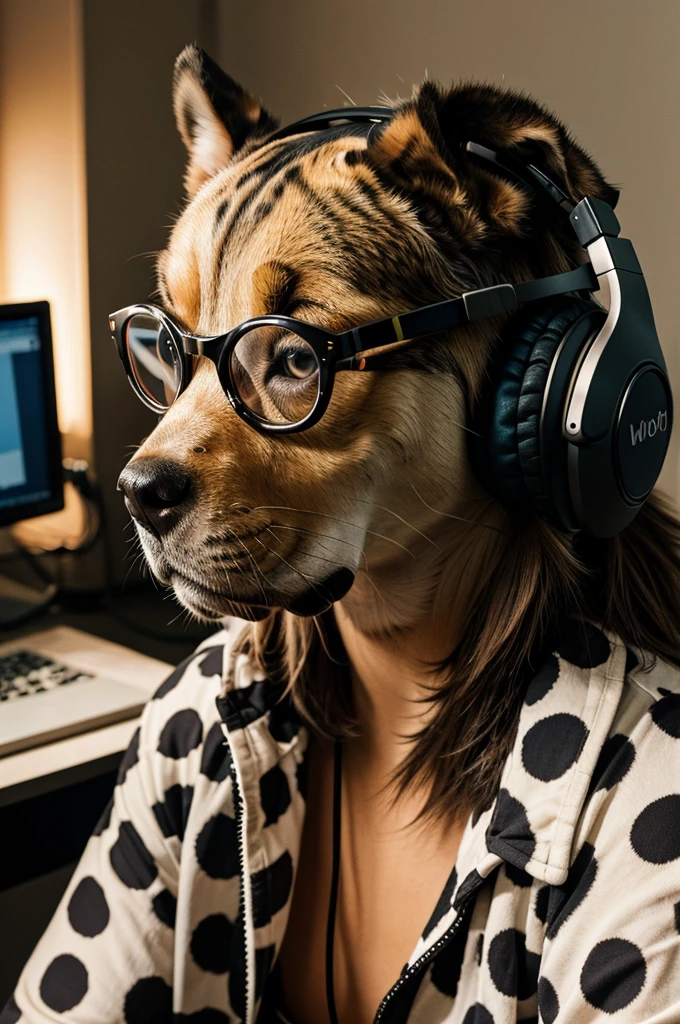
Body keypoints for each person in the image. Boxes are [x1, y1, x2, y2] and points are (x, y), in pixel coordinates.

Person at [4, 46, 680, 1024]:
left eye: (295, 356)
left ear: (529, 394)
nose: (161, 453)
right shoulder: (208, 721)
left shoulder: (649, 808)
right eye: (187, 350)